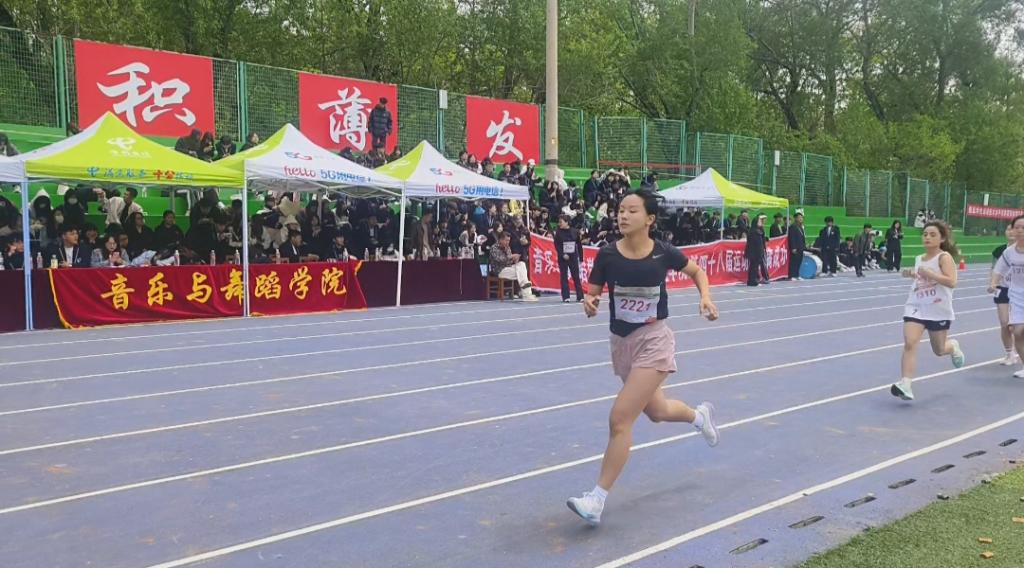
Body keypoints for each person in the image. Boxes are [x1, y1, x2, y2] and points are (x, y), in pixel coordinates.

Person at [567, 189, 720, 526]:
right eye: (621, 210)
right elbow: (593, 295)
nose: (623, 215)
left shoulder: (663, 252)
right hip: (623, 344)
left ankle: (596, 500)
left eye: (632, 210)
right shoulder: (607, 255)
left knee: (620, 419)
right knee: (657, 411)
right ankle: (699, 417)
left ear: (649, 219)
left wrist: (705, 298)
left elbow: (697, 272)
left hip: (654, 340)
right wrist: (590, 304)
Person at [891, 221, 964, 400]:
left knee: (939, 350)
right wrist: (910, 273)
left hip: (938, 309)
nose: (927, 238)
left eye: (932, 235)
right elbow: (920, 279)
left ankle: (952, 347)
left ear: (942, 238)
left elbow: (952, 282)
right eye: (925, 234)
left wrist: (929, 273)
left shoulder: (944, 257)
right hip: (916, 305)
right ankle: (906, 384)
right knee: (910, 342)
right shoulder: (919, 258)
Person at [990, 216, 1024, 377]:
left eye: (1023, 227)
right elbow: (998, 269)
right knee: (1017, 332)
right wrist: (993, 283)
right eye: (1017, 227)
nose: (1019, 230)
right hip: (1016, 296)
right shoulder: (1008, 252)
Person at [489, 232, 537, 301]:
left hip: (509, 267)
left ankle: (526, 292)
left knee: (522, 264)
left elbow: (510, 261)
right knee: (521, 272)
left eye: (508, 240)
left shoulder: (507, 247)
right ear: (500, 240)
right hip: (500, 270)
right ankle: (527, 294)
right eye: (506, 240)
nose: (507, 242)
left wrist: (515, 259)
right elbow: (500, 259)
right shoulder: (494, 248)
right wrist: (511, 257)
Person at [553, 214, 584, 303]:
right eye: (559, 222)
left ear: (567, 222)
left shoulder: (575, 231)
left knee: (576, 276)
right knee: (564, 276)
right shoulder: (558, 232)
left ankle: (580, 296)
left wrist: (581, 258)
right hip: (563, 257)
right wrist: (562, 254)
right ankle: (566, 296)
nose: (559, 224)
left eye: (561, 222)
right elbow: (556, 245)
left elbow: (579, 245)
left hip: (573, 256)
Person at [745, 214, 768, 286]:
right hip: (754, 252)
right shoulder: (753, 231)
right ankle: (752, 281)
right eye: (759, 221)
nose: (761, 222)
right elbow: (755, 244)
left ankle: (752, 280)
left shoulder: (758, 231)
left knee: (754, 267)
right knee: (753, 267)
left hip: (757, 252)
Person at [787, 212, 806, 280]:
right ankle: (791, 275)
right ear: (795, 218)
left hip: (800, 247)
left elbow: (802, 237)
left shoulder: (800, 227)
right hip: (795, 248)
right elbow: (791, 238)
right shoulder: (792, 227)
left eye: (801, 218)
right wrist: (793, 247)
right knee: (794, 262)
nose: (801, 219)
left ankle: (797, 275)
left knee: (799, 261)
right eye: (799, 218)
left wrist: (804, 246)